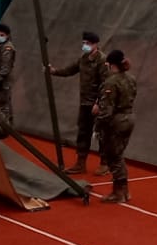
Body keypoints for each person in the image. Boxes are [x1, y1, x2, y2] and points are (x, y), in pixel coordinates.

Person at [48, 30, 106, 174]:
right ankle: (81, 163)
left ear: (95, 44)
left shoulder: (102, 61)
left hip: (98, 104)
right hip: (85, 103)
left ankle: (105, 164)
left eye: (88, 43)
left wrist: (98, 103)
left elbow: (106, 84)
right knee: (83, 132)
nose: (85, 46)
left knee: (101, 134)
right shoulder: (84, 58)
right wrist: (54, 71)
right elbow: (70, 70)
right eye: (84, 43)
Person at [93, 49, 137, 205]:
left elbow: (107, 109)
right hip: (129, 118)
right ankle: (123, 190)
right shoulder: (131, 79)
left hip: (116, 121)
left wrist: (98, 126)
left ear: (110, 64)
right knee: (119, 154)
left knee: (113, 156)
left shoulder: (111, 82)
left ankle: (119, 192)